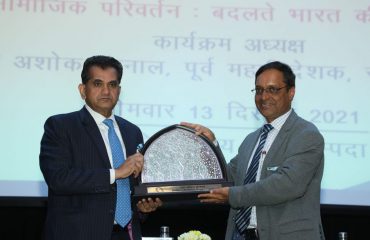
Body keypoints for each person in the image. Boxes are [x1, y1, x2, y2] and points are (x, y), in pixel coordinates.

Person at [182, 61, 325, 240]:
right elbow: (227, 179)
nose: (264, 96)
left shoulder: (306, 134)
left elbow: (287, 184)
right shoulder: (252, 140)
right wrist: (210, 145)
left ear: (291, 92)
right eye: (259, 90)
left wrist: (233, 196)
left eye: (272, 89)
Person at [39, 55, 162, 240]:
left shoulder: (132, 131)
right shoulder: (61, 126)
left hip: (126, 234)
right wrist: (115, 173)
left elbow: (132, 187)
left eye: (112, 85)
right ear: (82, 90)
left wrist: (141, 207)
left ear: (119, 91)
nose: (106, 91)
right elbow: (58, 179)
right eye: (98, 84)